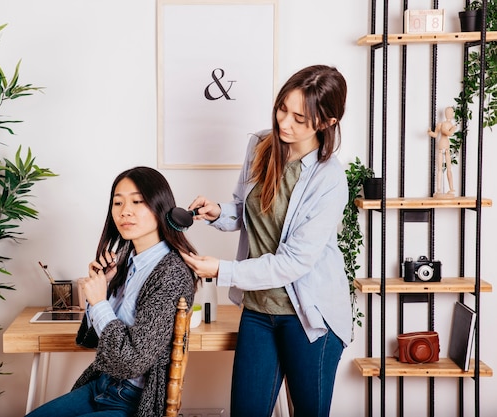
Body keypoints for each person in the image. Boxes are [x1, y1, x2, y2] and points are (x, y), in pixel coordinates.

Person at [180, 65, 353, 417]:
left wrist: (221, 270)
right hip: (259, 311)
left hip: (309, 318)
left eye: (299, 118)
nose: (284, 123)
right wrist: (218, 213)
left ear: (327, 122)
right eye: (282, 108)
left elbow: (294, 262)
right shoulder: (260, 144)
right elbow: (248, 211)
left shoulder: (330, 180)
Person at [26, 166, 198, 417]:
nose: (124, 211)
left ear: (160, 206)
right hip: (102, 386)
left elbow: (132, 361)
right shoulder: (126, 260)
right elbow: (91, 340)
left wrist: (98, 303)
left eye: (137, 201)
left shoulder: (171, 273)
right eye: (117, 203)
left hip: (134, 401)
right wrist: (103, 289)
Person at [427, 106, 457, 197]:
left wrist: (451, 129)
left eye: (451, 113)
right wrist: (429, 132)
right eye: (449, 113)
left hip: (447, 146)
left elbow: (449, 133)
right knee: (439, 168)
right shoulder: (442, 124)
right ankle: (439, 189)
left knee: (449, 168)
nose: (450, 115)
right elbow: (436, 134)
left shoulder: (451, 125)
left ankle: (451, 188)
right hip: (441, 145)